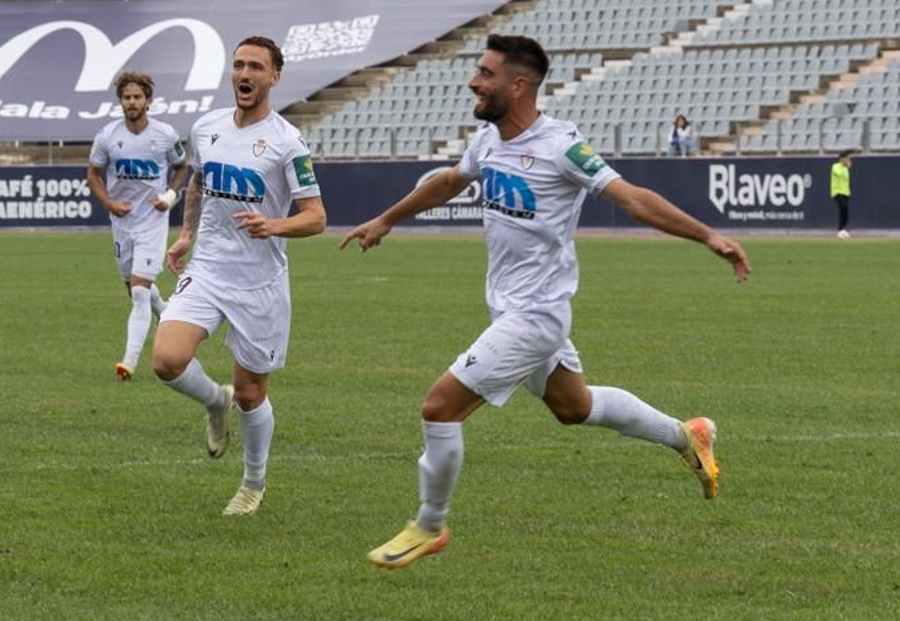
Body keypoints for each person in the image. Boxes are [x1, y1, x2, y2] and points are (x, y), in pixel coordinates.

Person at [340, 34, 751, 570]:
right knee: (573, 408)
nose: (473, 81)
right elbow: (448, 181)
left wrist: (708, 236)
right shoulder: (488, 142)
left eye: (485, 74)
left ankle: (429, 525)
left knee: (439, 408)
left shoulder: (561, 147)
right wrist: (388, 218)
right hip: (510, 311)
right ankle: (686, 434)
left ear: (518, 85)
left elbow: (631, 198)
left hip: (536, 319)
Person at [151, 36, 326, 516]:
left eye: (256, 67)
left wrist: (274, 224)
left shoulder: (288, 142)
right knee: (167, 359)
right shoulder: (206, 128)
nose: (244, 74)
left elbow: (316, 217)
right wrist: (186, 235)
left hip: (260, 283)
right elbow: (198, 185)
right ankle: (213, 402)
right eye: (238, 65)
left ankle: (252, 484)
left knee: (251, 393)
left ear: (274, 78)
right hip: (208, 269)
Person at [87, 71, 189, 381]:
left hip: (153, 222)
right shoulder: (107, 136)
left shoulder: (165, 135)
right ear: (120, 102)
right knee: (133, 289)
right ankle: (169, 313)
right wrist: (110, 204)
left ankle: (128, 362)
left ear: (148, 101)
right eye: (127, 98)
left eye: (137, 97)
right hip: (122, 223)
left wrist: (170, 196)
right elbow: (93, 174)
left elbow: (182, 167)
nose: (132, 102)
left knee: (140, 294)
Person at [831, 149, 853, 239]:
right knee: (843, 207)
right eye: (846, 158)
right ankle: (840, 229)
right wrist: (845, 167)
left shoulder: (846, 169)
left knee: (845, 211)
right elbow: (838, 174)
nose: (848, 160)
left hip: (845, 193)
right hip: (837, 192)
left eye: (848, 158)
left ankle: (842, 229)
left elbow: (846, 181)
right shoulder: (835, 166)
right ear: (841, 159)